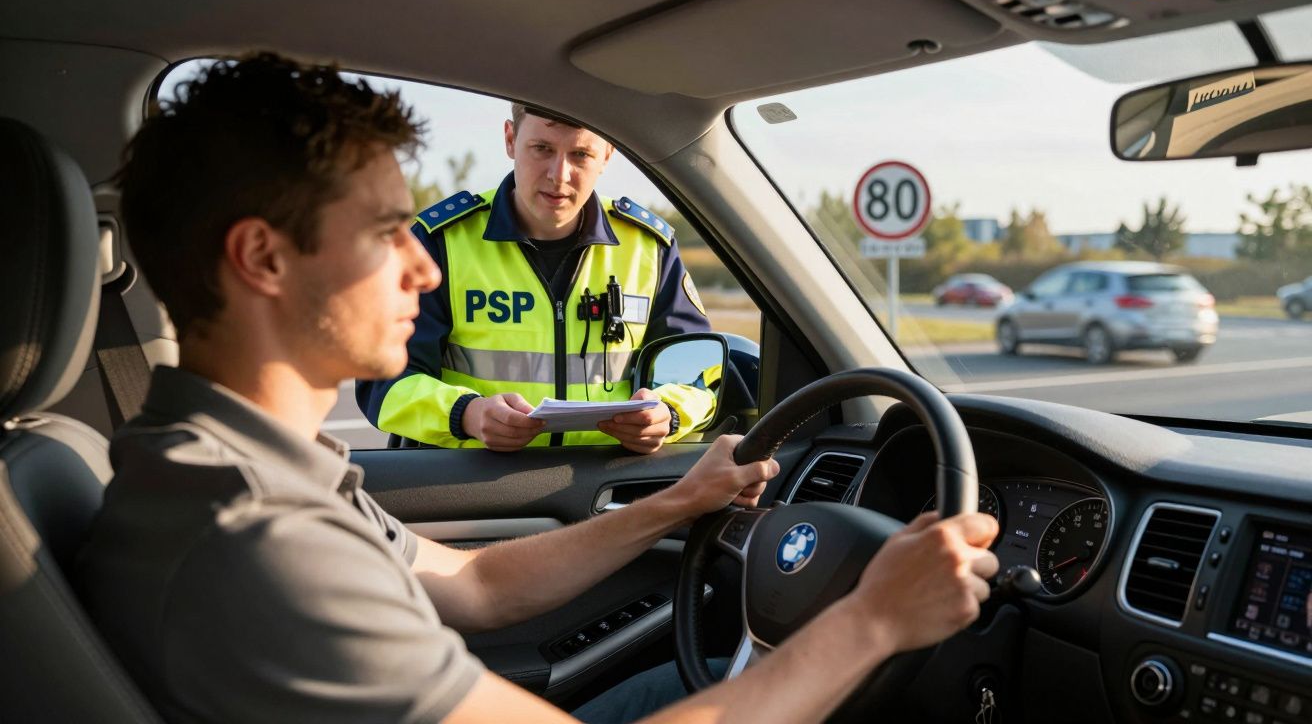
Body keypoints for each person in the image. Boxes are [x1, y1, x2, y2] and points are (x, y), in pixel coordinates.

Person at [76, 52, 1000, 724]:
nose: (424, 268)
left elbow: (475, 585)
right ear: (263, 258)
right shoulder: (255, 540)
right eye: (387, 231)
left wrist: (678, 499)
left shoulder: (255, 477)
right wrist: (873, 621)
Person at [355, 103, 713, 453]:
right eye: (542, 148)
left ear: (607, 154)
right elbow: (382, 383)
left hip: (607, 484)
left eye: (581, 155)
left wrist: (668, 413)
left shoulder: (650, 248)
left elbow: (704, 372)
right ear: (510, 139)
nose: (559, 175)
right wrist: (466, 414)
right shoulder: (440, 242)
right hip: (471, 488)